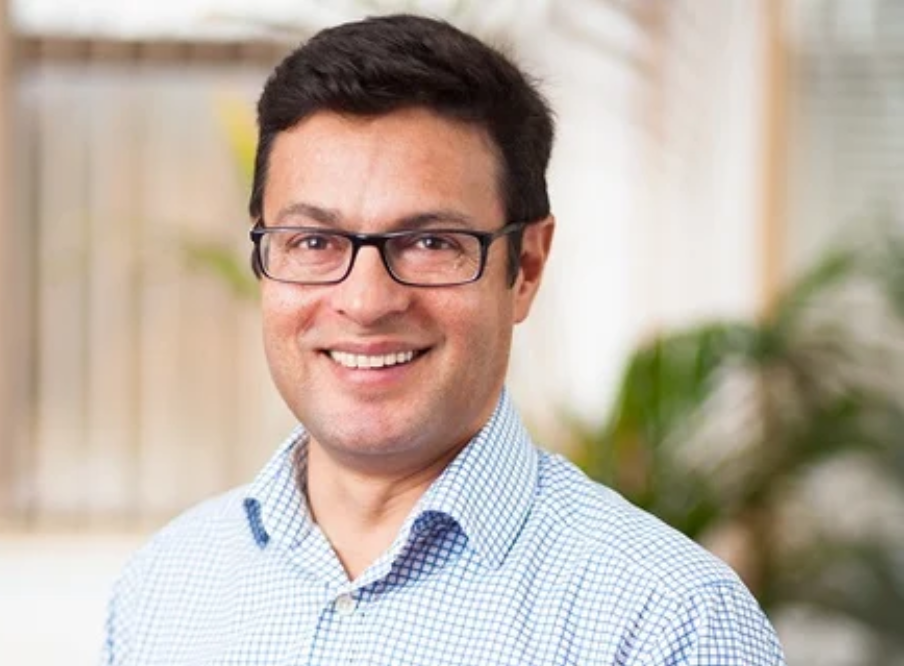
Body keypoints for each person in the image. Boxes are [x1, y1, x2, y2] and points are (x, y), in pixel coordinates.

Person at [102, 13, 786, 665]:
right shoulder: (165, 587)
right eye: (313, 241)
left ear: (526, 267)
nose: (365, 302)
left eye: (431, 242)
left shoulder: (669, 622)